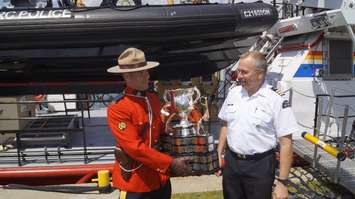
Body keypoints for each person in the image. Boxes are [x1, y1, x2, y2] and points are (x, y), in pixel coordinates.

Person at [107, 47, 191, 199]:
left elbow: (158, 132)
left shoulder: (152, 98)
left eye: (146, 71)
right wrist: (171, 163)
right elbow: (135, 148)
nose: (147, 76)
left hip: (159, 179)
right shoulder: (118, 108)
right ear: (127, 76)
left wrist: (179, 136)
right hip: (136, 181)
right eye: (141, 72)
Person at [216, 51, 298, 199]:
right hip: (232, 163)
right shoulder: (234, 93)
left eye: (244, 72)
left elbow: (286, 143)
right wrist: (219, 151)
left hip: (259, 166)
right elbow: (226, 123)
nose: (238, 76)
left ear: (260, 74)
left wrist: (282, 183)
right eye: (238, 71)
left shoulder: (275, 99)